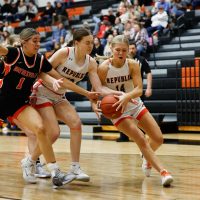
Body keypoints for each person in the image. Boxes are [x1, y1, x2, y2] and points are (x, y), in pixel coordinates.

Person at [0, 28, 99, 187]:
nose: (38, 44)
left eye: (39, 41)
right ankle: (33, 163)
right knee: (40, 131)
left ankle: (55, 172)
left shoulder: (40, 60)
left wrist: (57, 83)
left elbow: (58, 78)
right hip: (3, 100)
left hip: (19, 104)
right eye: (35, 41)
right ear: (24, 42)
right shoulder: (14, 53)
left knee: (40, 129)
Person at [24, 28, 120, 182]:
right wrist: (56, 83)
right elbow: (42, 71)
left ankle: (75, 168)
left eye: (92, 43)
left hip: (59, 96)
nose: (90, 46)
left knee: (76, 124)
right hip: (42, 92)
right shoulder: (64, 53)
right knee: (53, 133)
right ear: (77, 43)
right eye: (87, 43)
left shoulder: (91, 63)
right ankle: (30, 162)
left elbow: (99, 88)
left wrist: (119, 94)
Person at [96, 35, 173, 187]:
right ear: (111, 49)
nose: (120, 53)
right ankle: (164, 172)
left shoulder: (132, 65)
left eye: (124, 50)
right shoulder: (104, 67)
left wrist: (127, 97)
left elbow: (139, 89)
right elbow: (97, 90)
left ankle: (146, 157)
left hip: (135, 104)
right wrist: (100, 102)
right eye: (117, 50)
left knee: (158, 139)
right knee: (141, 139)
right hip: (118, 111)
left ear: (128, 51)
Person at [116, 40, 152, 142]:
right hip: (124, 90)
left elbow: (148, 73)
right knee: (122, 112)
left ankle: (142, 133)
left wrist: (149, 87)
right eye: (130, 48)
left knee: (139, 112)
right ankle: (124, 136)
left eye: (133, 48)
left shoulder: (141, 60)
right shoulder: (122, 60)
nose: (132, 50)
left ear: (136, 48)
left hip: (136, 90)